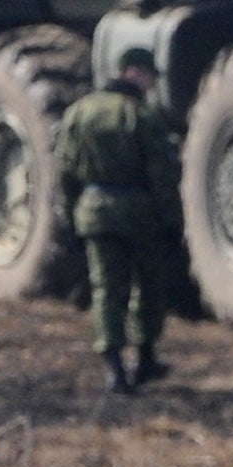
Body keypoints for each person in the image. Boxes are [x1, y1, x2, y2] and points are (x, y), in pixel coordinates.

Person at [55, 46, 179, 394]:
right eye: (150, 76)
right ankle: (145, 359)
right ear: (135, 73)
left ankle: (114, 369)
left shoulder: (79, 113)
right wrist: (172, 221)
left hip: (94, 214)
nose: (152, 84)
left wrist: (69, 218)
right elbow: (161, 176)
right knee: (147, 286)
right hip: (141, 215)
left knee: (106, 288)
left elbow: (65, 173)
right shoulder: (141, 116)